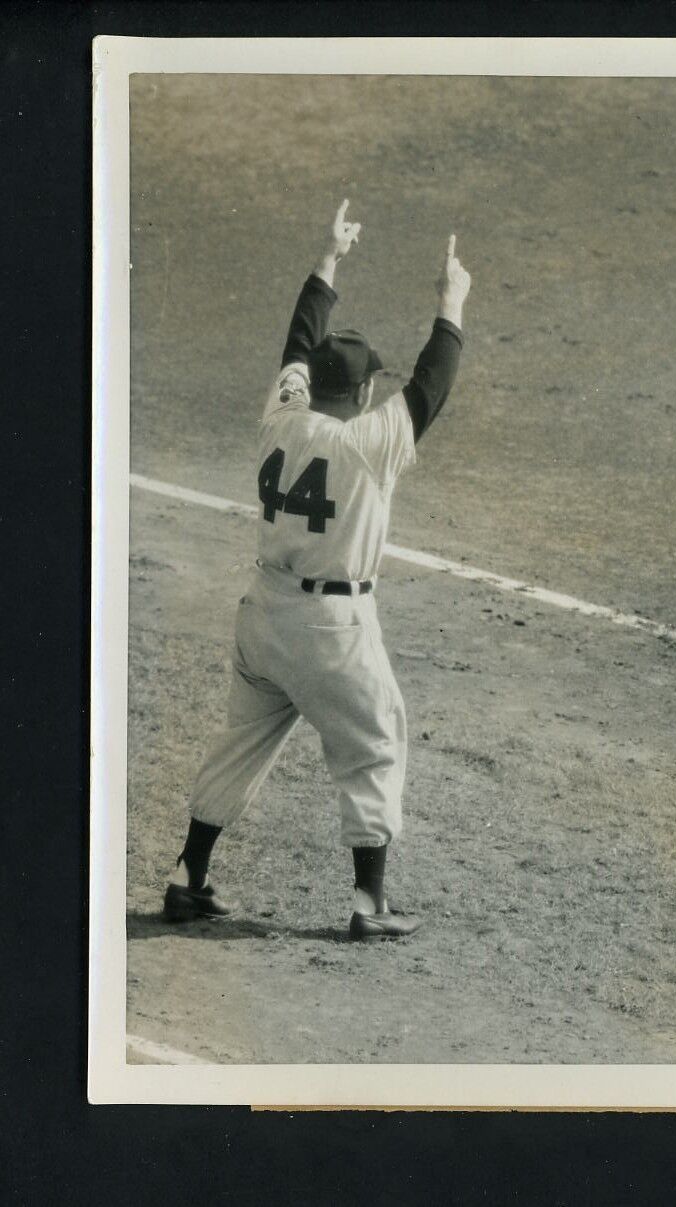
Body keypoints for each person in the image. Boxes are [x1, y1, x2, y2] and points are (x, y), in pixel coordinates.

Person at [163, 201, 471, 940]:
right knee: (376, 740)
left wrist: (327, 260)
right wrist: (452, 301)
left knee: (242, 739)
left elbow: (296, 346)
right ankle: (370, 905)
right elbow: (432, 383)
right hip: (333, 631)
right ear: (363, 392)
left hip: (264, 614)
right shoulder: (369, 441)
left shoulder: (282, 415)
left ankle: (189, 876)